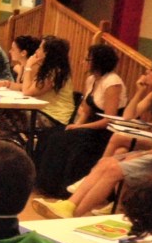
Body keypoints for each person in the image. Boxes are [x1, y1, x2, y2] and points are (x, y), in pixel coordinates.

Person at [34, 53, 152, 218]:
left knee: (114, 165)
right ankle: (73, 205)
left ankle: (73, 213)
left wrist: (145, 152)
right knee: (109, 160)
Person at [34, 44, 128, 197]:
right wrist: (76, 125)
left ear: (98, 62)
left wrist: (80, 128)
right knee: (49, 134)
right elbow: (86, 110)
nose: (84, 62)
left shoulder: (112, 82)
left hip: (104, 131)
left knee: (65, 139)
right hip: (90, 125)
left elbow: (109, 120)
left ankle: (63, 189)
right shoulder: (91, 79)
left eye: (87, 59)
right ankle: (43, 184)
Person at [0, 36, 73, 141]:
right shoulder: (49, 69)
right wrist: (5, 84)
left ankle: (12, 147)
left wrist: (28, 66)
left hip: (52, 118)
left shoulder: (54, 72)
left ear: (48, 53)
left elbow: (27, 91)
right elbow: (26, 87)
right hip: (41, 111)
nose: (37, 51)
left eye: (40, 48)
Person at [101, 57, 152, 158]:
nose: (147, 72)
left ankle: (98, 166)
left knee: (118, 137)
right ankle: (102, 167)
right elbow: (128, 116)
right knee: (120, 151)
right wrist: (139, 91)